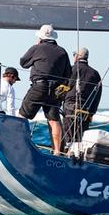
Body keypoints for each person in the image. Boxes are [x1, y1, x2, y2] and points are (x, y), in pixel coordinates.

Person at [19, 24, 72, 155]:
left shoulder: (37, 48)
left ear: (41, 37)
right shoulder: (62, 51)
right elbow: (68, 73)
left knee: (22, 116)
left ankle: (18, 144)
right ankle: (57, 151)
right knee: (54, 120)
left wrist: (37, 48)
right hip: (56, 90)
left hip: (39, 86)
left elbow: (23, 63)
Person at [62, 47, 102, 146]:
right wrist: (92, 113)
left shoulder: (71, 70)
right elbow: (97, 95)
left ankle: (67, 155)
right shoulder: (95, 74)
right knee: (80, 139)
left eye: (74, 54)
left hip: (70, 107)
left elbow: (64, 87)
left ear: (77, 56)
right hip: (85, 110)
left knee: (68, 138)